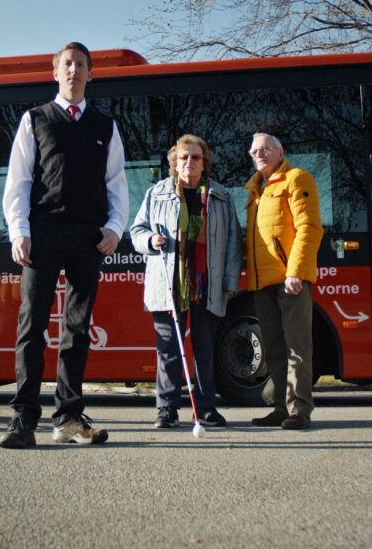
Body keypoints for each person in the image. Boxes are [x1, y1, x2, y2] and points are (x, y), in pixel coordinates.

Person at [0, 41, 129, 449]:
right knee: (31, 325)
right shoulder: (34, 120)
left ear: (91, 74)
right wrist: (19, 231)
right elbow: (17, 182)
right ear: (55, 72)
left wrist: (115, 227)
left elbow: (117, 184)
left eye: (81, 65)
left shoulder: (106, 126)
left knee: (77, 328)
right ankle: (24, 418)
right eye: (67, 64)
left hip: (89, 238)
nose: (73, 70)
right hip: (43, 234)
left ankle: (68, 418)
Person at [129, 134, 242, 429]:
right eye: (183, 157)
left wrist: (230, 280)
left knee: (205, 348)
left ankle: (205, 409)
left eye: (195, 157)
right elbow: (137, 229)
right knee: (167, 348)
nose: (189, 162)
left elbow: (233, 243)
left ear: (204, 163)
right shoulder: (157, 194)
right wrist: (150, 240)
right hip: (168, 282)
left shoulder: (221, 195)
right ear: (174, 163)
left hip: (207, 282)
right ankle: (166, 410)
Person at [243, 133, 324, 430]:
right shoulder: (254, 190)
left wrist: (296, 272)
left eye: (266, 149)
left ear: (280, 152)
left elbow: (310, 228)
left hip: (289, 281)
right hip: (261, 283)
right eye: (255, 151)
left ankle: (299, 410)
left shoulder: (296, 179)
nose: (259, 154)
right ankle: (280, 407)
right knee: (274, 348)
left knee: (297, 348)